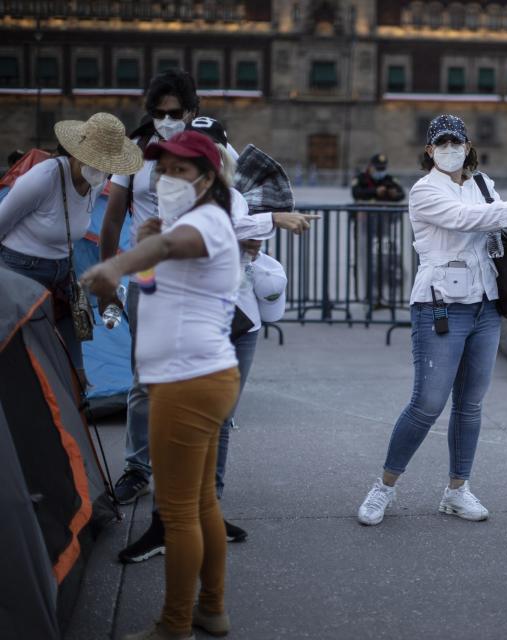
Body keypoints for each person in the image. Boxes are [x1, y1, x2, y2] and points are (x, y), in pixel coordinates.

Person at [118, 117, 314, 562]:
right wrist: (271, 220)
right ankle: (165, 523)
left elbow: (234, 225)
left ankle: (208, 512)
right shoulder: (175, 206)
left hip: (238, 324)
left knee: (219, 422)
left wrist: (260, 224)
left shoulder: (234, 199)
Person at [355, 114, 507, 526]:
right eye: (441, 143)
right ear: (429, 150)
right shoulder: (423, 191)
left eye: (457, 141)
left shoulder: (483, 184)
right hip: (440, 305)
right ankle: (384, 487)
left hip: (486, 303)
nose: (450, 149)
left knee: (470, 405)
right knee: (427, 403)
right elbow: (464, 219)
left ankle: (457, 489)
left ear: (468, 146)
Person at [82, 131, 241, 640]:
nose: (168, 177)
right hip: (198, 376)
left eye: (180, 169)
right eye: (162, 169)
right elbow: (156, 286)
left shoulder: (208, 220)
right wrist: (142, 254)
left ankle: (173, 626)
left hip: (186, 381)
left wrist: (115, 263)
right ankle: (210, 610)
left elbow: (173, 247)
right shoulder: (181, 222)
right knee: (199, 506)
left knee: (176, 514)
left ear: (208, 177)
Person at [101, 68, 201, 508]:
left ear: (191, 112)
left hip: (196, 280)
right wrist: (108, 275)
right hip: (149, 279)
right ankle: (137, 468)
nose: (165, 120)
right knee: (144, 380)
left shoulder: (208, 151)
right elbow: (111, 218)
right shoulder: (135, 153)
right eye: (158, 113)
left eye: (174, 113)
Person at [0, 112, 143, 388]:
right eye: (95, 161)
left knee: (78, 339)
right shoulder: (43, 178)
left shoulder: (97, 180)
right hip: (21, 268)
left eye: (106, 164)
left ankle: (75, 397)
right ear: (77, 153)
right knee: (26, 346)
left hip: (63, 268)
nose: (100, 169)